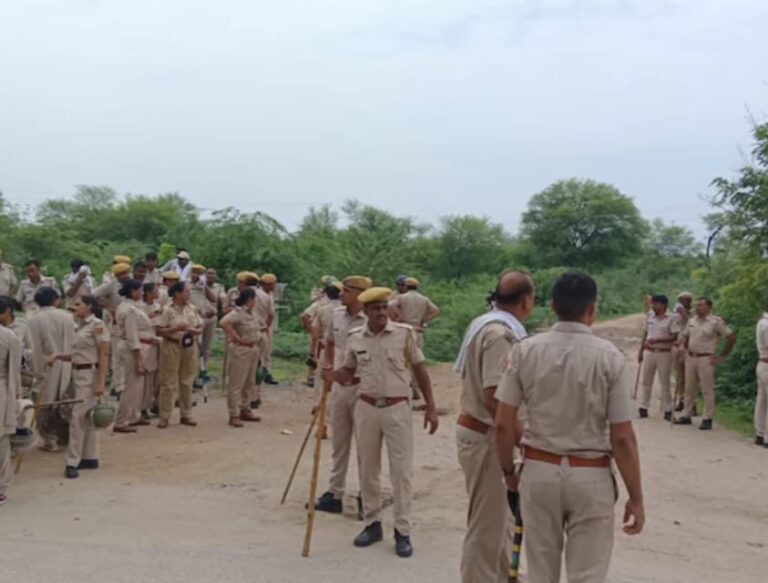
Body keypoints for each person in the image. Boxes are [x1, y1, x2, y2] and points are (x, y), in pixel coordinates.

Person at [495, 272, 644, 582]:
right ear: (592, 310)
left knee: (540, 571)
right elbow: (622, 437)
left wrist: (509, 472)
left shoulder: (524, 351)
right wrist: (636, 496)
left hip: (538, 472)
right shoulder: (610, 358)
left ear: (551, 305)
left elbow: (502, 423)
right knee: (587, 575)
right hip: (591, 476)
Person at [327, 286, 439, 558]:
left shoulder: (404, 334)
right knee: (368, 468)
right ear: (365, 311)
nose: (380, 313)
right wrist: (331, 374)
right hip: (366, 407)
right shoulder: (355, 339)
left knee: (401, 472)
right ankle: (372, 523)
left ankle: (402, 530)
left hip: (397, 408)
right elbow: (349, 372)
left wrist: (431, 408)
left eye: (383, 307)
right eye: (374, 308)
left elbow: (421, 373)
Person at [453, 272, 534, 583]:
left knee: (500, 520)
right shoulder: (500, 334)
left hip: (482, 433)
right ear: (527, 301)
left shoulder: (485, 322)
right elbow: (494, 398)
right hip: (486, 436)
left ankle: (503, 576)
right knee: (486, 527)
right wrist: (515, 439)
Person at [314, 275, 371, 514]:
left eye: (347, 290)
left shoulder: (372, 320)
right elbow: (329, 343)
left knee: (365, 446)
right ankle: (335, 493)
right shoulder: (337, 315)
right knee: (339, 442)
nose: (342, 294)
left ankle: (365, 497)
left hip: (362, 387)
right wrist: (328, 368)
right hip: (339, 387)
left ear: (359, 294)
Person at [46, 296, 109, 479]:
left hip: (90, 374)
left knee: (77, 418)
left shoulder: (97, 325)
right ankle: (89, 456)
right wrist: (58, 356)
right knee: (86, 417)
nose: (74, 308)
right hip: (77, 372)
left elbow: (103, 353)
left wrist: (100, 382)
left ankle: (72, 461)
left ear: (89, 306)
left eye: (78, 304)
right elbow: (77, 354)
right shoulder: (78, 326)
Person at [675, 297, 736, 430]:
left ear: (709, 307)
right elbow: (686, 336)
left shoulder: (715, 322)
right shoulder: (692, 321)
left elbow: (730, 338)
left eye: (701, 305)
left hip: (706, 358)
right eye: (697, 305)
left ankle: (707, 417)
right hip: (691, 357)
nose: (698, 308)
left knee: (707, 389)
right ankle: (686, 414)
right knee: (689, 388)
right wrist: (682, 347)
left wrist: (721, 356)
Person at [26, 287, 74, 452]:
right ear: (55, 300)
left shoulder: (33, 319)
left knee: (44, 404)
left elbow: (33, 347)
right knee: (66, 401)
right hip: (68, 363)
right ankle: (65, 437)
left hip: (46, 366)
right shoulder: (68, 316)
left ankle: (49, 440)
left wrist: (36, 368)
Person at [155, 281, 203, 428]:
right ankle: (164, 415)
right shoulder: (166, 310)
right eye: (186, 292)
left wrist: (195, 331)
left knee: (187, 381)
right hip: (172, 344)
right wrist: (175, 329)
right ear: (177, 293)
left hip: (189, 345)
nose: (188, 295)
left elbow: (200, 325)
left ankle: (186, 414)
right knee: (168, 382)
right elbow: (159, 330)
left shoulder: (192, 309)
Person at [113, 279, 157, 433]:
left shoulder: (132, 307)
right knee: (131, 387)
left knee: (137, 386)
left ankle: (132, 416)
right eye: (140, 290)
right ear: (133, 291)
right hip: (132, 349)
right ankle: (121, 420)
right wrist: (139, 358)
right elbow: (132, 336)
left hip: (140, 346)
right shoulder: (129, 310)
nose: (142, 293)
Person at [388, 277, 440, 398]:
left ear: (406, 286)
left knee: (403, 360)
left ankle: (405, 386)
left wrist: (398, 317)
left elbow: (390, 305)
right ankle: (415, 388)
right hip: (418, 330)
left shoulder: (401, 297)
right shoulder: (424, 299)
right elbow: (436, 311)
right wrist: (424, 320)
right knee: (417, 361)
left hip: (404, 329)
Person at [220, 287, 262, 427]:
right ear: (249, 299)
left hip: (253, 349)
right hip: (241, 349)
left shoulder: (253, 313)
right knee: (237, 383)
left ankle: (245, 408)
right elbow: (224, 322)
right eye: (254, 298)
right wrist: (236, 337)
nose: (255, 301)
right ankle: (233, 414)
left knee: (249, 382)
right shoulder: (238, 313)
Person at [637, 294, 679, 421]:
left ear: (663, 305)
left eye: (655, 304)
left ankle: (668, 408)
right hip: (649, 351)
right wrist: (640, 351)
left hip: (664, 352)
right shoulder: (649, 316)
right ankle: (644, 406)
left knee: (664, 381)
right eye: (653, 304)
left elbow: (674, 336)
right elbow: (645, 333)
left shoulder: (672, 318)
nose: (653, 306)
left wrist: (659, 339)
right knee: (646, 380)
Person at [93, 263, 132, 397]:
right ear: (116, 275)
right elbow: (94, 295)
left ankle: (125, 384)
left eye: (126, 272)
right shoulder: (110, 285)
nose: (125, 276)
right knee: (117, 355)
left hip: (129, 320)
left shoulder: (131, 283)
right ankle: (117, 386)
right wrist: (108, 306)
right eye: (122, 274)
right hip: (115, 322)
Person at [0, 296, 22, 505]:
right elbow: (13, 373)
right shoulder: (9, 336)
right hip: (2, 390)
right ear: (5, 312)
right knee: (2, 442)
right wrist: (16, 399)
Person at [189, 264, 224, 384]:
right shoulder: (186, 285)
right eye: (194, 272)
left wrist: (204, 287)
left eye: (199, 273)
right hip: (195, 319)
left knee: (206, 347)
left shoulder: (214, 287)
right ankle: (192, 375)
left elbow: (214, 299)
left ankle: (203, 371)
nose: (196, 275)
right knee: (195, 346)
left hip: (210, 317)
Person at [141, 283, 162, 419]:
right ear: (148, 293)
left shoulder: (158, 307)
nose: (158, 292)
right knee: (146, 378)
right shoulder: (139, 308)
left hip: (159, 343)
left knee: (159, 376)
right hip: (145, 344)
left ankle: (157, 404)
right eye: (155, 290)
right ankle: (142, 408)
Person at [673, 292, 693, 412]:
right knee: (680, 375)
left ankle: (692, 403)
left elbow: (691, 320)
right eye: (682, 300)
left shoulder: (694, 312)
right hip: (678, 344)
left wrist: (684, 313)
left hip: (690, 346)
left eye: (686, 300)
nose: (684, 302)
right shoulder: (676, 313)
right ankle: (681, 399)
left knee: (691, 377)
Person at [256, 274, 278, 385]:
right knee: (258, 350)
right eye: (272, 285)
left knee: (268, 350)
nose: (273, 286)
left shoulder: (271, 294)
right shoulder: (258, 294)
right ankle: (257, 372)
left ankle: (267, 372)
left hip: (267, 325)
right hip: (259, 325)